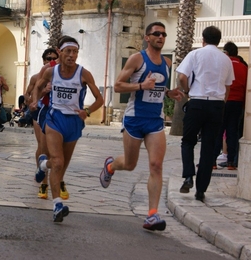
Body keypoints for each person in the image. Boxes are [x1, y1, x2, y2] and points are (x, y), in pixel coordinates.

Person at [99, 22, 184, 231]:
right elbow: (118, 85)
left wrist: (168, 92)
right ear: (147, 37)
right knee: (130, 164)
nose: (161, 37)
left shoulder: (166, 62)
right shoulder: (138, 58)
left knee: (156, 165)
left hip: (155, 120)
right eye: (156, 34)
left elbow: (157, 86)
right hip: (135, 119)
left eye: (164, 34)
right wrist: (140, 86)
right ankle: (110, 166)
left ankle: (152, 215)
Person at [30, 36, 103, 222]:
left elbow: (99, 99)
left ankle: (42, 165)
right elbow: (37, 86)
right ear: (60, 52)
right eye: (68, 51)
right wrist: (35, 101)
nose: (72, 55)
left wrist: (87, 111)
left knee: (60, 167)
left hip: (74, 123)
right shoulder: (51, 71)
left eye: (75, 52)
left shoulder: (84, 73)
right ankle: (57, 205)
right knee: (58, 161)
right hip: (55, 119)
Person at [176, 26, 234, 202]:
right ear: (219, 40)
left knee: (188, 141)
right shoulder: (226, 60)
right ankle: (201, 190)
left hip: (197, 102)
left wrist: (187, 90)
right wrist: (222, 102)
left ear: (203, 39)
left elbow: (181, 77)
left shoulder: (195, 54)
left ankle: (188, 176)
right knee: (209, 148)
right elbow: (228, 85)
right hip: (216, 105)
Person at [26, 48, 69, 200]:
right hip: (41, 112)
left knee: (59, 152)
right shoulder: (39, 75)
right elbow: (29, 96)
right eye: (48, 58)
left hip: (60, 113)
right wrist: (44, 92)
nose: (50, 60)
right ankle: (43, 182)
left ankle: (59, 179)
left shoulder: (67, 73)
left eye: (53, 57)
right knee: (43, 148)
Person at [213, 42, 247, 170]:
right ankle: (231, 162)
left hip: (223, 101)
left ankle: (212, 161)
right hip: (237, 103)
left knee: (218, 130)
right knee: (233, 132)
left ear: (226, 52)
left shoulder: (223, 64)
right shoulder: (244, 67)